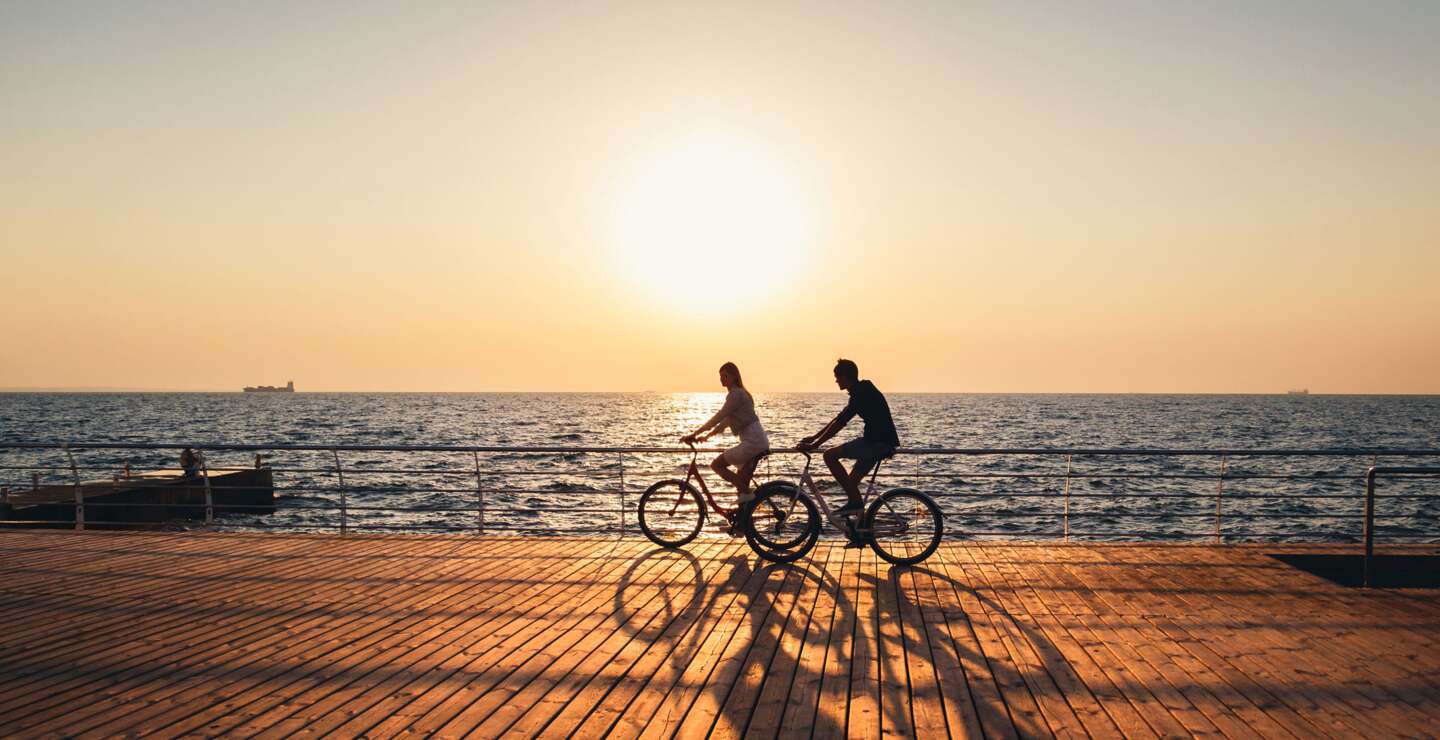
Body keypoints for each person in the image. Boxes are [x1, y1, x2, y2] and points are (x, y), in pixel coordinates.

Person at [797, 358, 900, 519]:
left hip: (875, 443)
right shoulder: (862, 390)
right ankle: (862, 530)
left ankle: (856, 504)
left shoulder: (860, 393)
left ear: (845, 377)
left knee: (829, 455)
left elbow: (840, 422)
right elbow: (839, 418)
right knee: (851, 485)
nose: (836, 380)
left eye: (837, 376)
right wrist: (814, 437)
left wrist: (816, 444)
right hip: (881, 443)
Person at [681, 362, 769, 502]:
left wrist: (694, 434)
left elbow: (719, 417)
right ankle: (745, 515)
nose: (722, 379)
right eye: (720, 376)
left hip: (753, 443)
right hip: (757, 441)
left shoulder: (736, 394)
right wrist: (707, 436)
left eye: (725, 376)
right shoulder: (740, 394)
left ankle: (748, 493)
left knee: (717, 465)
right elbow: (726, 422)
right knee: (741, 485)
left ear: (734, 377)